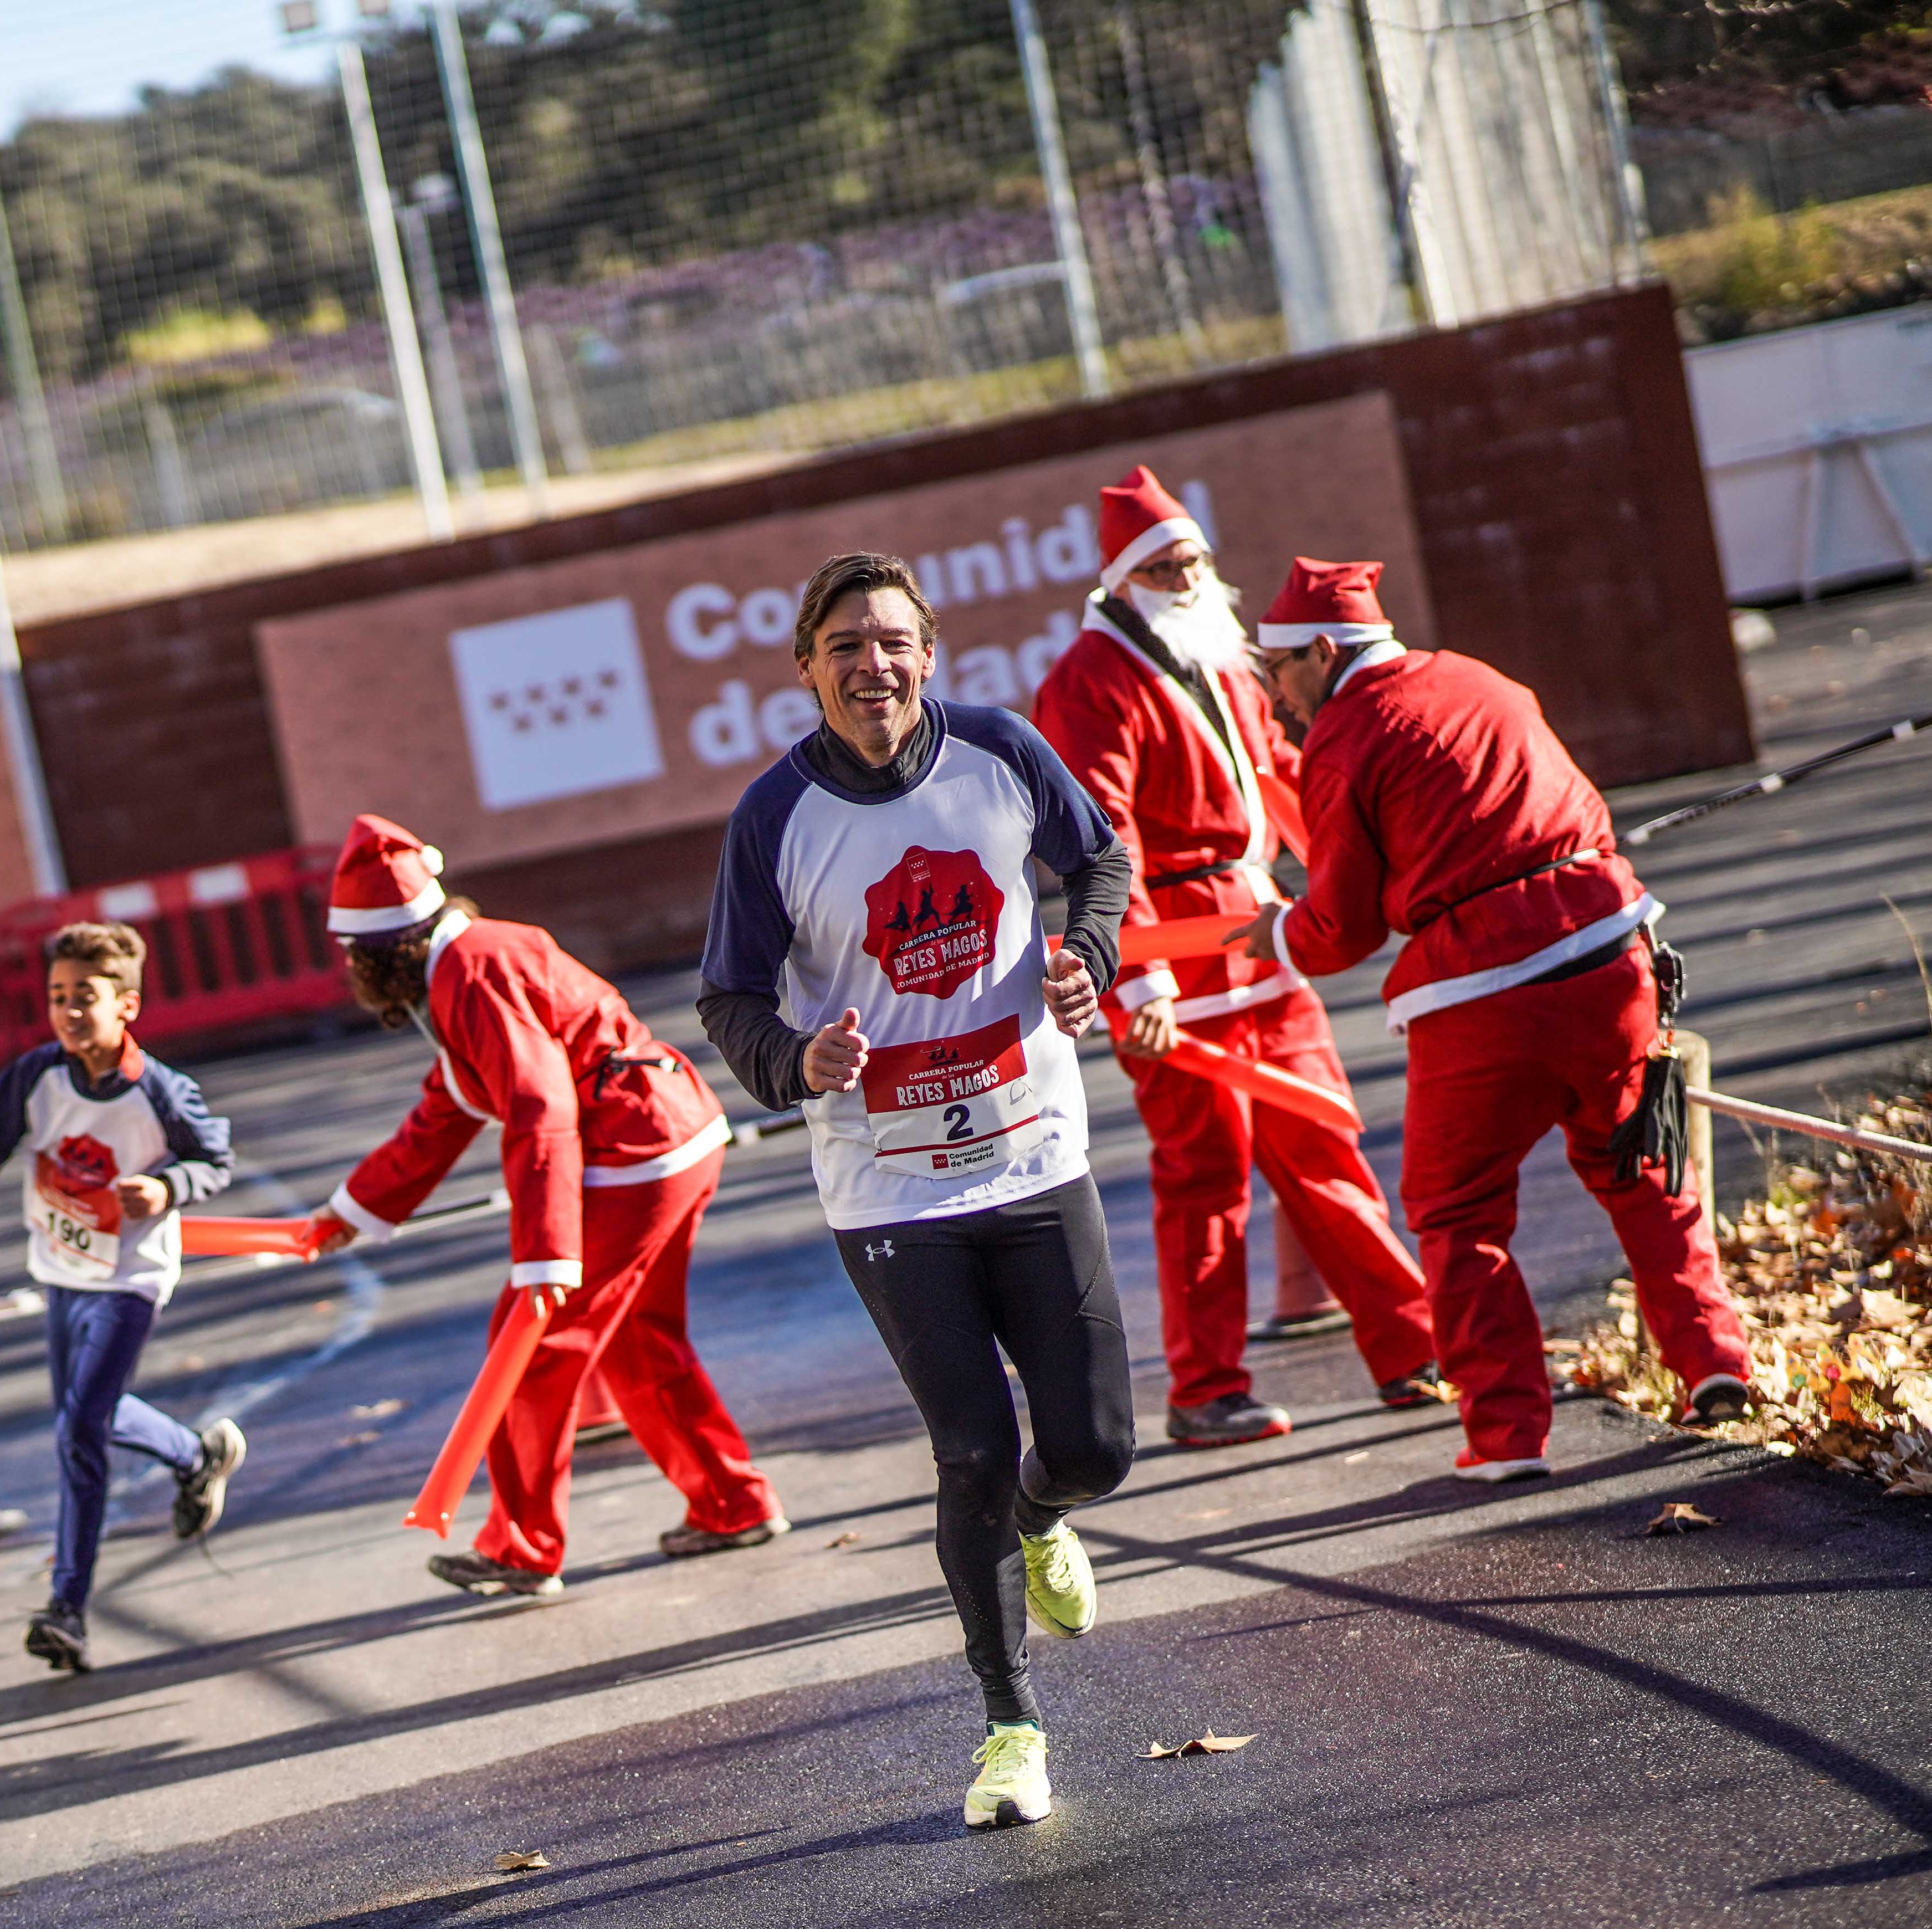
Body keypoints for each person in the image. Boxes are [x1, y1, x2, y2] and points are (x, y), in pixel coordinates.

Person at [699, 550, 1134, 1833]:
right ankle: (1012, 1727)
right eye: (845, 646)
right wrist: (794, 1058)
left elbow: (1100, 861)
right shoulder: (772, 817)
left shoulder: (1000, 752)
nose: (871, 665)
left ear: (929, 655)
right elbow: (728, 995)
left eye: (892, 641)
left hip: (1034, 1149)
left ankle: (1048, 1514)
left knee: (1094, 1445)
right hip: (888, 1191)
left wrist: (1089, 959)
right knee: (968, 1448)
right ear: (807, 671)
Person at [1236, 558, 1752, 1480]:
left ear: (1321, 651)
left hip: (1480, 998)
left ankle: (1509, 1437)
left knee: (1458, 1212)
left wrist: (1277, 931)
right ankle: (1715, 1361)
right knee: (1641, 1167)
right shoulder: (1480, 677)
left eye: (1277, 674)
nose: (1276, 701)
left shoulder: (1347, 737)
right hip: (1609, 957)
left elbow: (1342, 927)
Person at [1032, 468, 1441, 1446]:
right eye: (1169, 565)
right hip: (1169, 954)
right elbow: (1099, 837)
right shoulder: (1087, 682)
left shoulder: (1215, 654)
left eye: (1197, 559)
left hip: (1260, 932)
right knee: (1202, 1175)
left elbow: (1289, 775)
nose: (1190, 576)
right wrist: (1136, 974)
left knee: (1325, 1144)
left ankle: (1417, 1350)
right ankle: (1207, 1388)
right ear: (1123, 580)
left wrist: (1384, 873)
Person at [304, 813, 785, 1598]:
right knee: (638, 1341)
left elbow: (538, 1109)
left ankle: (523, 1548)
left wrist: (545, 1258)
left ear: (381, 948)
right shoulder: (468, 958)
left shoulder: (470, 973)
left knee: (527, 1348)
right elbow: (448, 1108)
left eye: (354, 956)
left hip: (632, 1149)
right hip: (672, 1131)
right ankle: (731, 1502)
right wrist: (350, 1211)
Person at [0, 920, 249, 1671]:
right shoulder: (35, 1077)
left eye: (86, 997)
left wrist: (169, 1185)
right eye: (57, 997)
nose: (69, 1012)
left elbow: (215, 1159)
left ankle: (67, 1609)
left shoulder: (161, 1091)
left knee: (80, 1428)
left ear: (129, 1007)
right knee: (82, 1426)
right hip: (60, 1273)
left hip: (129, 1277)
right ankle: (193, 1455)